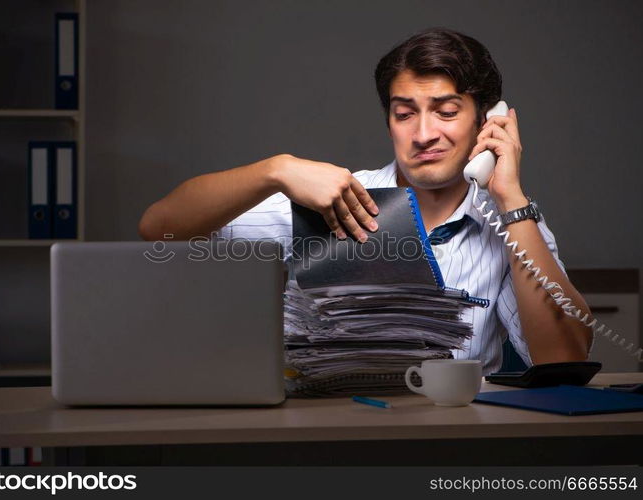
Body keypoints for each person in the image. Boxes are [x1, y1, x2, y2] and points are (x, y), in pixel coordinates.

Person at [139, 27, 592, 374]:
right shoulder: (329, 197)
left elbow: (562, 362)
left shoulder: (512, 223)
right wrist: (273, 171)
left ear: (487, 121)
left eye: (447, 112)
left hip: (448, 446)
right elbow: (161, 229)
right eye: (404, 113)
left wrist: (511, 197)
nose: (423, 134)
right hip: (318, 442)